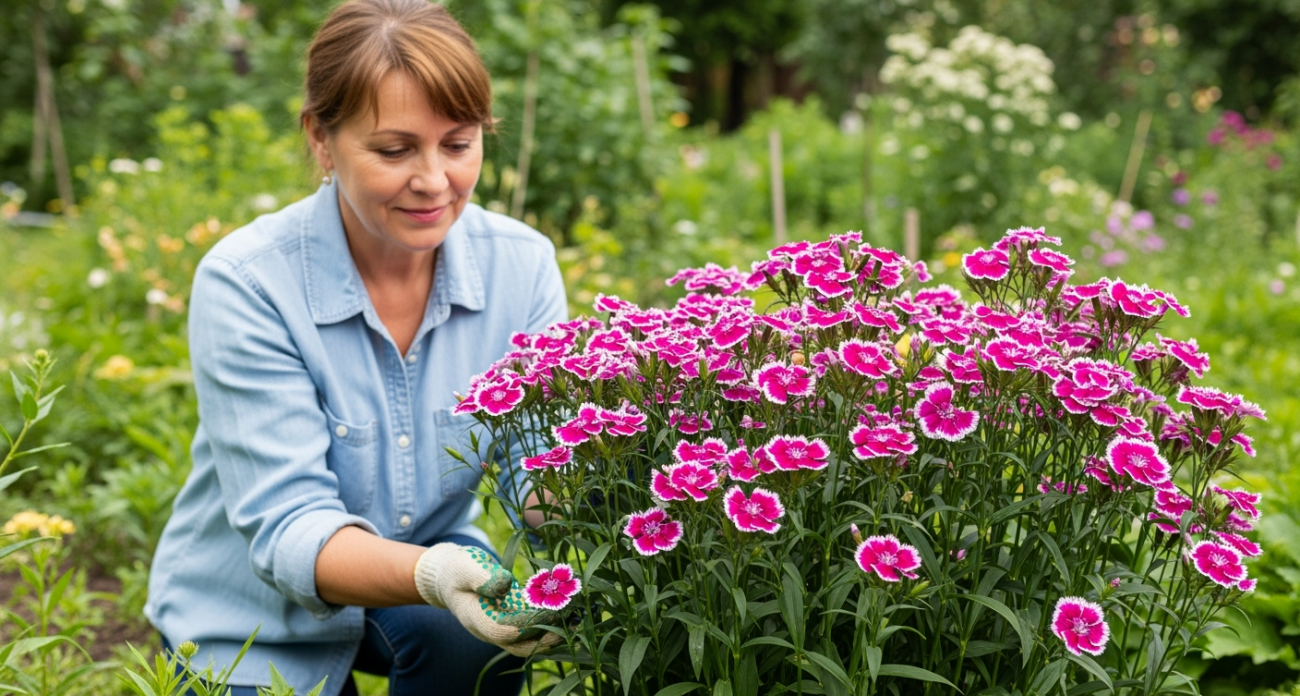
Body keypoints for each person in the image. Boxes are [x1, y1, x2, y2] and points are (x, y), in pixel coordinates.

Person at [144, 1, 567, 694]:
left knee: (478, 642)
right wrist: (431, 572)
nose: (434, 180)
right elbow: (291, 527)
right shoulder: (250, 281)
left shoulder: (520, 267)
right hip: (247, 617)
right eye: (394, 150)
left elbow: (536, 467)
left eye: (458, 144)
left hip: (432, 573)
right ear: (321, 137)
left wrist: (638, 505)